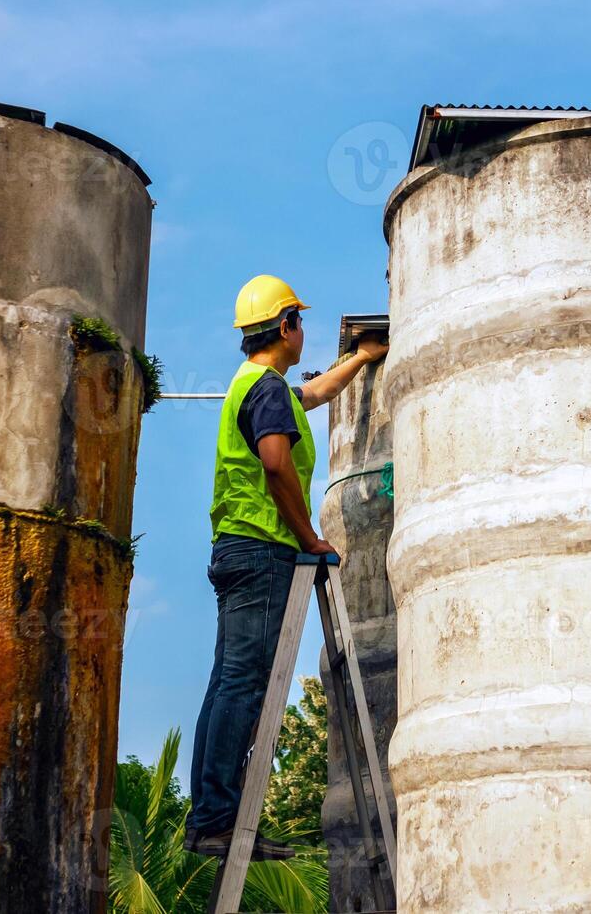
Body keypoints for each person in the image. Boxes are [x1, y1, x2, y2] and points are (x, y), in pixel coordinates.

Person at [184, 274, 389, 860]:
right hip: (262, 550)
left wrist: (358, 360)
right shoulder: (266, 389)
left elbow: (312, 396)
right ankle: (218, 819)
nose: (304, 330)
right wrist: (310, 537)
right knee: (244, 685)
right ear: (286, 327)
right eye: (299, 321)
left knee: (227, 682)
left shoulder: (256, 385)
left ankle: (211, 816)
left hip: (238, 550)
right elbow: (276, 465)